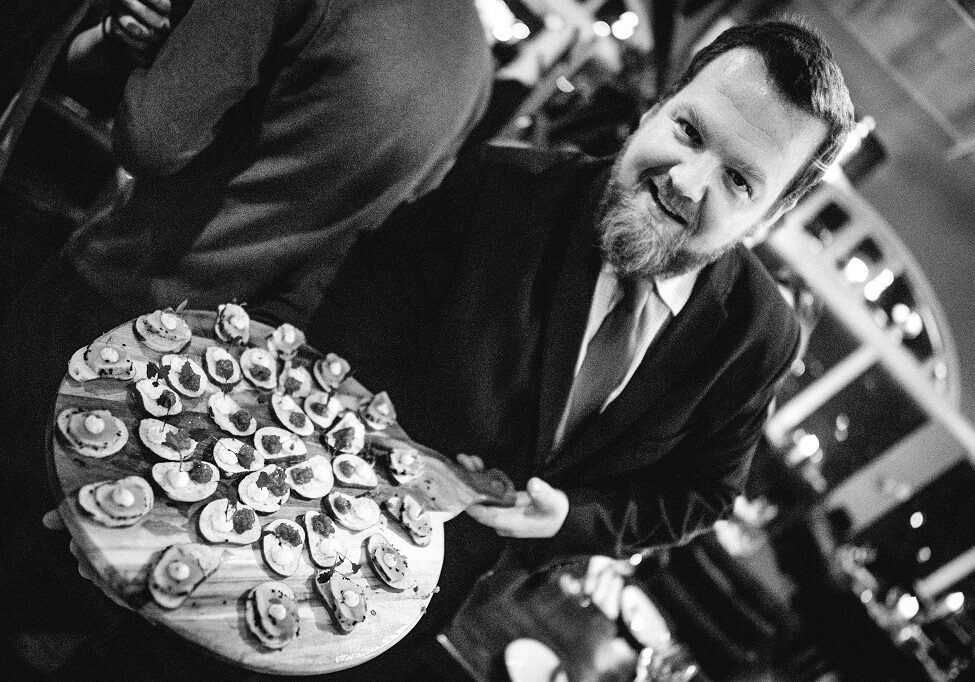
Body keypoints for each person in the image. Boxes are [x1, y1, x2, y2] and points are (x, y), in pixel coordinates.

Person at [299, 19, 855, 646]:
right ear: (658, 104)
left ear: (771, 214)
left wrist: (575, 518)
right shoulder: (493, 192)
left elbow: (704, 491)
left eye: (739, 180)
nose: (687, 181)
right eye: (689, 131)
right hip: (326, 534)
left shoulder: (759, 337)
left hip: (469, 609)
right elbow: (337, 341)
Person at [0, 0, 491, 674]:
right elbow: (394, 211)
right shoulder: (474, 58)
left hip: (126, 300)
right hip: (249, 371)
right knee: (97, 569)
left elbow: (151, 137)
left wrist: (161, 46)